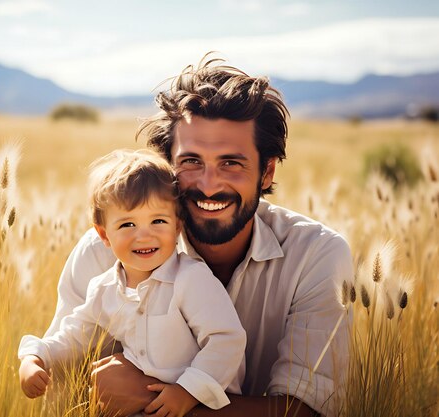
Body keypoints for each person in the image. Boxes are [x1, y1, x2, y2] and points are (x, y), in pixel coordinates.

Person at [37, 55, 354, 417]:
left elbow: (306, 412)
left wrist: (150, 398)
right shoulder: (102, 253)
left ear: (266, 173)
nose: (208, 185)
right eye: (191, 162)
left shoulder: (316, 256)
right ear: (166, 168)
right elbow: (63, 390)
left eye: (230, 163)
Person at [18, 149, 247, 417]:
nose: (144, 236)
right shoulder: (103, 289)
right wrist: (35, 356)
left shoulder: (190, 279)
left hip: (204, 406)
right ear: (104, 235)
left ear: (177, 227)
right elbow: (74, 334)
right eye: (128, 224)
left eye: (158, 221)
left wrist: (188, 392)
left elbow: (226, 340)